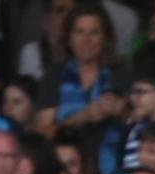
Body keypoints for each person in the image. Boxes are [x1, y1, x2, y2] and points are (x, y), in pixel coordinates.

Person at [31, 3, 126, 137]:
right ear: (68, 38)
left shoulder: (119, 72)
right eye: (79, 32)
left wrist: (121, 111)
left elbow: (140, 122)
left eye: (94, 32)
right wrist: (82, 117)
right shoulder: (55, 75)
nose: (86, 40)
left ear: (105, 38)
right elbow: (41, 133)